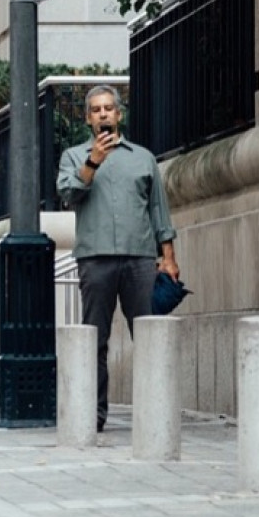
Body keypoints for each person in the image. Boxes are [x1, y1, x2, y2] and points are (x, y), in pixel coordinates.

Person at [57, 85, 178, 432]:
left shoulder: (142, 157)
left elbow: (159, 209)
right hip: (95, 260)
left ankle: (157, 410)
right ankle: (93, 413)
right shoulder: (73, 156)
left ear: (119, 114)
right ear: (87, 118)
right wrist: (93, 161)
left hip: (140, 258)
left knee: (149, 335)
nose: (103, 114)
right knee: (95, 338)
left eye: (109, 108)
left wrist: (168, 256)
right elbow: (68, 194)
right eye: (96, 110)